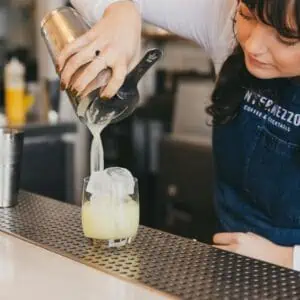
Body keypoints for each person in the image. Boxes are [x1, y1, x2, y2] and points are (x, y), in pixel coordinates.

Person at [57, 0, 300, 270]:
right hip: (226, 266)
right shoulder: (224, 19)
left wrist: (287, 258)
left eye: (285, 37)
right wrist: (120, 11)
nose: (253, 45)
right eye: (247, 16)